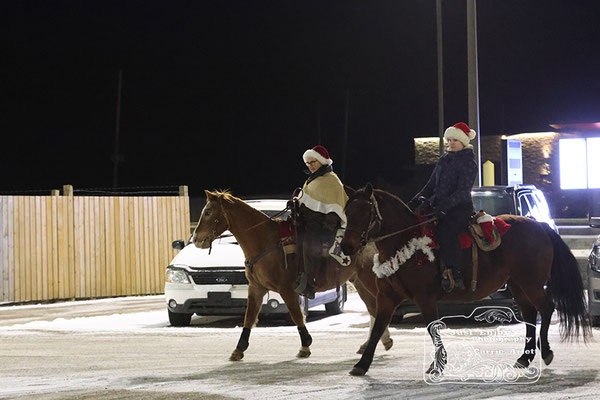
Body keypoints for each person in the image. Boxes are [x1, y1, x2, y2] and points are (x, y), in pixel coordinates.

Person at [408, 122, 478, 292]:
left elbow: (463, 191)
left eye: (455, 140)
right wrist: (416, 201)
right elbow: (431, 184)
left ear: (463, 142)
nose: (451, 143)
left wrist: (445, 207)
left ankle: (454, 273)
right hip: (439, 206)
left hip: (459, 208)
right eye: (449, 140)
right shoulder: (443, 160)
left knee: (445, 231)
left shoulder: (469, 163)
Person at [292, 145, 348, 299]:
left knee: (308, 244)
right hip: (306, 223)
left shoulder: (332, 181)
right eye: (308, 163)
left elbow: (335, 209)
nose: (310, 166)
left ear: (322, 161)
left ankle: (309, 284)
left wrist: (327, 229)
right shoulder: (312, 180)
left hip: (322, 227)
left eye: (313, 162)